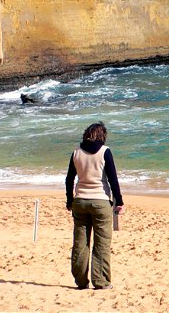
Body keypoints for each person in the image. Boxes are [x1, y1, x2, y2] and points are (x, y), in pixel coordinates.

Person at [65, 121, 124, 290]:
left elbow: (69, 179)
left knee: (80, 243)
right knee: (102, 243)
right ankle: (101, 281)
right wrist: (119, 201)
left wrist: (70, 200)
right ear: (102, 135)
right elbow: (113, 179)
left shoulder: (76, 152)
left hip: (80, 201)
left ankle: (81, 282)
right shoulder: (105, 152)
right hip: (101, 201)